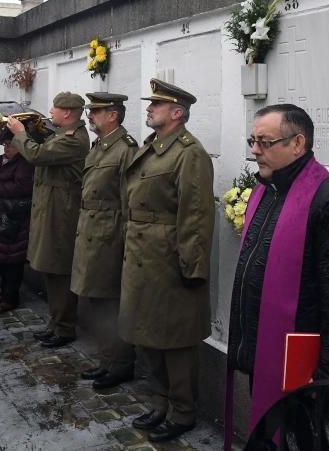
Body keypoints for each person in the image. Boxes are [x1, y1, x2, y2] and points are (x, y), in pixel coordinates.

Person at [226, 104, 329, 440]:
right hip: (262, 352)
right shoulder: (267, 189)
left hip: (302, 372)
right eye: (252, 140)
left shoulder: (328, 199)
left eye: (264, 141)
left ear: (298, 144)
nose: (254, 150)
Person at [119, 79, 215, 443]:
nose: (148, 109)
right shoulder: (152, 147)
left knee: (175, 342)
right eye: (151, 105)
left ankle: (182, 411)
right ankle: (159, 403)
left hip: (168, 260)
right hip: (141, 257)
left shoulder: (190, 153)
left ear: (177, 113)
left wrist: (192, 267)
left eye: (156, 105)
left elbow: (196, 215)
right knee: (146, 337)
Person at [5, 92, 90, 349]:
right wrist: (33, 131)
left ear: (67, 113)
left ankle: (65, 327)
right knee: (51, 271)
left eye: (55, 108)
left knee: (60, 272)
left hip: (62, 217)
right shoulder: (62, 135)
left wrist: (20, 133)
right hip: (51, 213)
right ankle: (55, 323)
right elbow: (44, 147)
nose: (50, 111)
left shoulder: (74, 140)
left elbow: (38, 156)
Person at [71, 92, 139, 390]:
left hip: (109, 237)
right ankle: (107, 359)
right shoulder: (100, 146)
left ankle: (121, 364)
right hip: (91, 232)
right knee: (97, 302)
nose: (89, 115)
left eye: (96, 111)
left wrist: (124, 244)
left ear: (113, 115)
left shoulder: (125, 149)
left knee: (111, 302)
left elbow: (129, 202)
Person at [0, 134, 35, 313]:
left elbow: (23, 188)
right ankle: (3, 293)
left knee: (12, 262)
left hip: (11, 219)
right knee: (0, 260)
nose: (6, 148)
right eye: (5, 144)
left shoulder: (25, 163)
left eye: (10, 145)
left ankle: (11, 298)